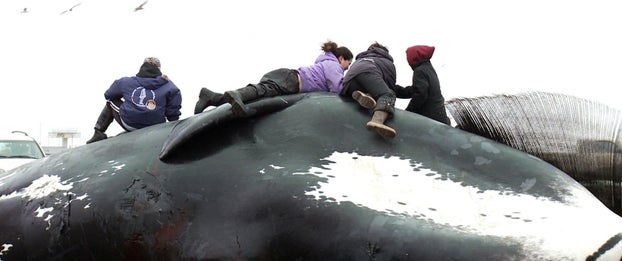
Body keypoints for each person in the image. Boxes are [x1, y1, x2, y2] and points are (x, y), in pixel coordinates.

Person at [194, 41, 353, 115]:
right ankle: (237, 94)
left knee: (258, 99)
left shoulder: (327, 63)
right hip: (291, 79)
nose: (347, 68)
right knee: (263, 91)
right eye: (348, 63)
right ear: (341, 58)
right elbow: (337, 88)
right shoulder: (334, 66)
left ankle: (212, 98)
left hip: (289, 79)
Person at [86, 57, 182, 144]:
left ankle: (98, 132)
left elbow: (108, 95)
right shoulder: (170, 86)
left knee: (111, 102)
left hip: (130, 124)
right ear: (159, 69)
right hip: (155, 128)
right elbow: (173, 114)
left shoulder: (126, 82)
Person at [340, 42, 399, 138]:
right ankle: (377, 121)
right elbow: (389, 84)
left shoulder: (360, 59)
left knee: (371, 90)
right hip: (368, 73)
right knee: (388, 95)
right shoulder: (387, 61)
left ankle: (364, 96)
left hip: (348, 83)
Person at [394, 45, 451, 125]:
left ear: (414, 57)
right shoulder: (428, 69)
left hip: (430, 118)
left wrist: (408, 113)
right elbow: (416, 89)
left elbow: (420, 94)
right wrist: (396, 89)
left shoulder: (419, 70)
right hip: (439, 116)